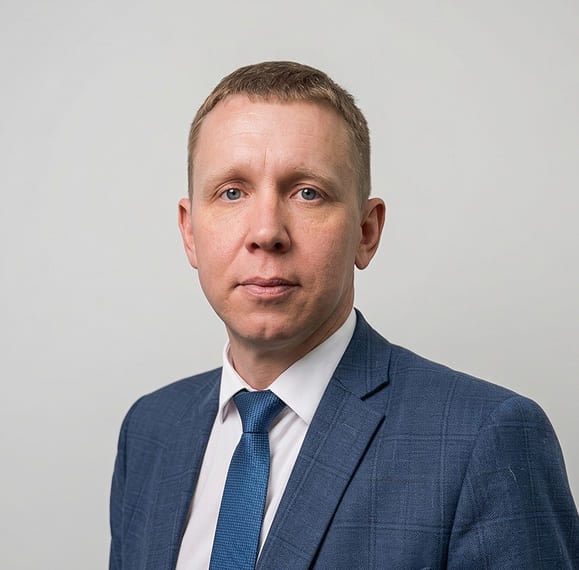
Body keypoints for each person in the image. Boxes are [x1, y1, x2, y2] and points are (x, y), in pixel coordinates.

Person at [109, 61, 578, 569]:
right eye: (232, 192)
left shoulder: (485, 438)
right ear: (189, 232)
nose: (266, 232)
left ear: (366, 231)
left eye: (307, 192)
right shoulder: (150, 430)